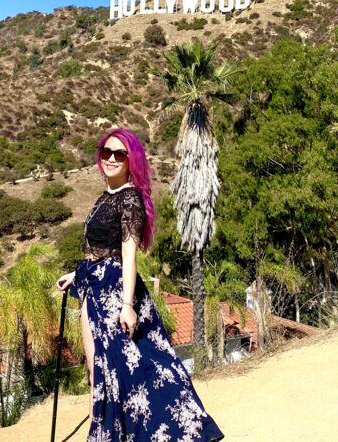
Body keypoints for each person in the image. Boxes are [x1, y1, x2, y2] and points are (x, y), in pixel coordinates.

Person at [56, 128, 224, 441]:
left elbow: (128, 256)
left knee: (139, 371)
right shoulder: (104, 196)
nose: (110, 159)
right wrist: (76, 275)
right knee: (98, 374)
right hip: (93, 291)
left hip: (116, 296)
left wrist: (128, 306)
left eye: (119, 154)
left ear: (130, 160)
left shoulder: (130, 199)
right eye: (106, 152)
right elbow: (98, 251)